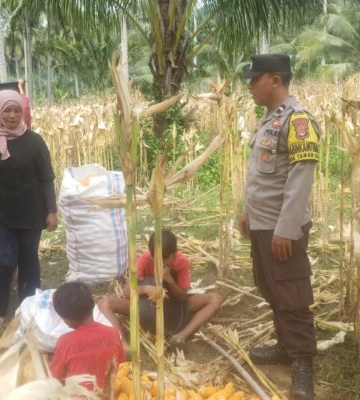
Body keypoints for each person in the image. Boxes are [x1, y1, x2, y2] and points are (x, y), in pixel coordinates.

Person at [240, 54, 322, 400]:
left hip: (281, 230)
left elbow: (300, 180)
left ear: (275, 80)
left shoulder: (298, 120)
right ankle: (284, 346)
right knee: (271, 287)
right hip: (261, 225)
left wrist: (286, 229)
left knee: (292, 293)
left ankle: (302, 361)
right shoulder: (267, 120)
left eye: (254, 79)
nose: (249, 86)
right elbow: (259, 177)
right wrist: (247, 213)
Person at [0, 89, 58, 327]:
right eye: (7, 110)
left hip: (31, 211)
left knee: (29, 260)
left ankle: (29, 308)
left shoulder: (34, 141)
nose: (12, 115)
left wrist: (52, 210)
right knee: (6, 261)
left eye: (16, 110)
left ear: (23, 111)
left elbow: (46, 178)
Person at [97, 230, 222, 350]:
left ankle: (181, 336)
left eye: (164, 260)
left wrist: (170, 281)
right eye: (156, 259)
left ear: (174, 255)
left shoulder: (181, 261)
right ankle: (123, 344)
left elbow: (183, 297)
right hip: (146, 308)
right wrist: (146, 289)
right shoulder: (145, 259)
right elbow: (126, 292)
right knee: (104, 303)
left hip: (176, 308)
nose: (159, 263)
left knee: (215, 299)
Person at [50, 281, 125, 393]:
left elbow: (54, 381)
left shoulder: (65, 342)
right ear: (92, 306)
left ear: (67, 321)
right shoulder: (113, 333)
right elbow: (122, 368)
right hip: (111, 395)